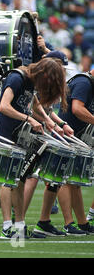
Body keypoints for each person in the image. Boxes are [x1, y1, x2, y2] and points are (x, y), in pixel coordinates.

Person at [0, 57, 68, 240]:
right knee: (8, 180)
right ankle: (6, 227)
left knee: (19, 179)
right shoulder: (17, 78)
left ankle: (19, 226)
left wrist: (51, 122)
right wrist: (29, 119)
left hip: (20, 135)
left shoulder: (30, 81)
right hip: (6, 134)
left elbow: (35, 106)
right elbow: (3, 106)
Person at [55, 68, 94, 235]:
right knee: (63, 180)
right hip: (65, 136)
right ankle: (68, 223)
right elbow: (77, 109)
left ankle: (82, 223)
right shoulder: (84, 82)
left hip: (75, 138)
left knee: (74, 182)